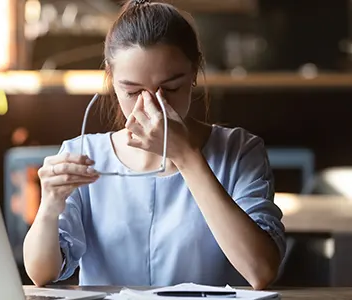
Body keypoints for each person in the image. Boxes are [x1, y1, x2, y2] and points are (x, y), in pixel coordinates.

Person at [23, 0, 286, 290]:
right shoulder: (84, 155)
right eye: (133, 91)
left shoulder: (239, 152)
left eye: (171, 88)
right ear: (112, 80)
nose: (152, 105)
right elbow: (41, 275)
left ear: (194, 73)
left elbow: (261, 270)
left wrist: (186, 157)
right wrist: (48, 207)